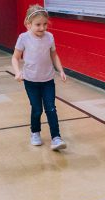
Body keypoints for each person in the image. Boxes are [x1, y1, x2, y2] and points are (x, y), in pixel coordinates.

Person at [11, 4, 68, 151]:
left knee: (51, 108)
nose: (42, 28)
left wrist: (60, 70)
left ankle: (56, 138)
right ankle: (35, 132)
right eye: (38, 25)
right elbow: (15, 57)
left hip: (48, 80)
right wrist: (17, 72)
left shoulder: (50, 37)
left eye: (45, 24)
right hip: (31, 81)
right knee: (37, 109)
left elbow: (54, 55)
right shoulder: (23, 38)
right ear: (28, 24)